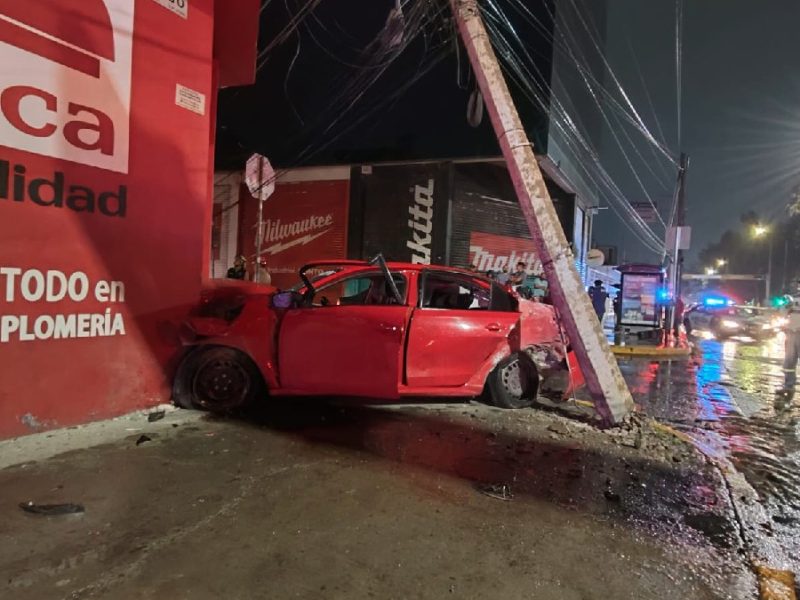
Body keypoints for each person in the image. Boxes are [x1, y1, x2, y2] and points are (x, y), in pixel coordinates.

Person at [782, 280, 800, 394]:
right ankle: (789, 383)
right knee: (790, 360)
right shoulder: (792, 299)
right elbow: (783, 312)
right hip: (792, 332)